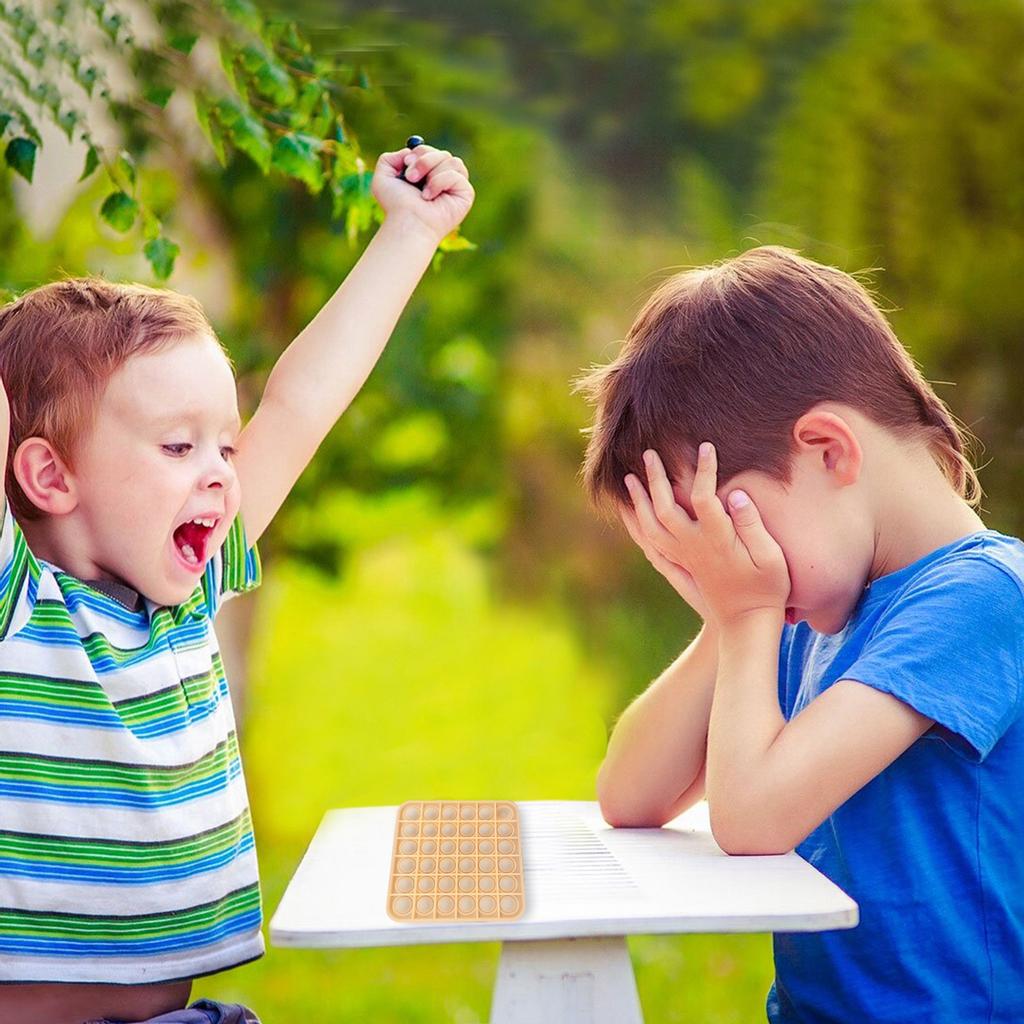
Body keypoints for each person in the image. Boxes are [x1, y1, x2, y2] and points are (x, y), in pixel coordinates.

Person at [0, 142, 473, 1024]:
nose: (223, 471)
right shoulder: (19, 606)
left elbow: (299, 402)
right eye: (179, 447)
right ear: (50, 477)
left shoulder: (185, 594)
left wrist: (409, 232)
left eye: (224, 443)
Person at [577, 245, 1024, 1022]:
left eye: (732, 527)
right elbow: (632, 795)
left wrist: (748, 615)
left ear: (828, 450)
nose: (730, 565)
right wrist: (731, 615)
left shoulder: (982, 598)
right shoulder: (814, 606)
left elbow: (752, 820)